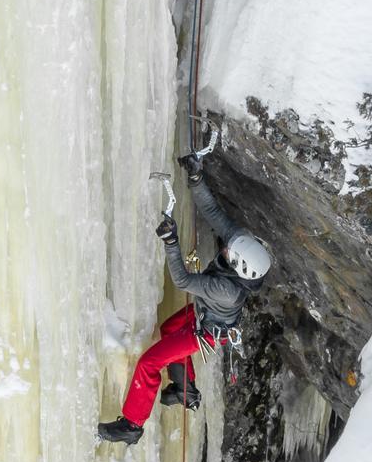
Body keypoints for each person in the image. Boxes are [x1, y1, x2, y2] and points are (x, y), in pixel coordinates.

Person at [97, 150, 272, 445]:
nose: (226, 247)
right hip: (207, 316)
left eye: (230, 252)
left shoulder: (227, 291)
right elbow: (214, 214)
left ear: (240, 265)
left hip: (205, 331)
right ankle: (185, 390)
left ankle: (132, 424)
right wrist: (196, 178)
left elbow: (183, 280)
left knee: (149, 363)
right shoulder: (239, 243)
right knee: (167, 330)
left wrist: (171, 242)